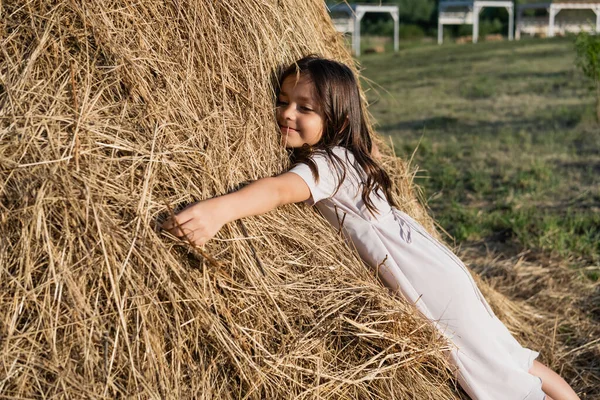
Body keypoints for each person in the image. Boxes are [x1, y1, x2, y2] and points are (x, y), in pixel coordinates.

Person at [162, 56, 579, 400]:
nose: (288, 113)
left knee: (484, 376)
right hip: (436, 263)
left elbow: (276, 191)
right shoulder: (356, 152)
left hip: (423, 281)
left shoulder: (329, 165)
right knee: (502, 352)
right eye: (283, 100)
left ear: (337, 118)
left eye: (306, 108)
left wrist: (219, 211)